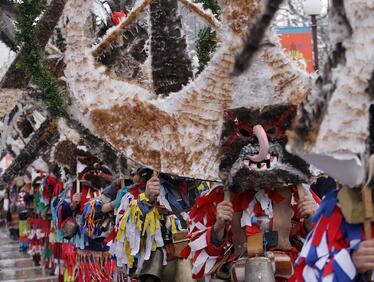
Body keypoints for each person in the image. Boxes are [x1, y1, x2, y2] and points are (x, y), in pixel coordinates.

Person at [185, 105, 320, 281]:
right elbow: (202, 260)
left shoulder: (299, 193)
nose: (259, 144)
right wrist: (218, 229)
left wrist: (312, 221)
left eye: (270, 131)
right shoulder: (219, 198)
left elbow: (321, 249)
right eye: (246, 133)